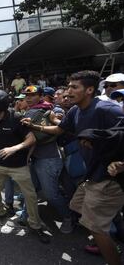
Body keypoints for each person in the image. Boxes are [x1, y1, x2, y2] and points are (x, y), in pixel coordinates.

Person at [21, 70, 124, 265]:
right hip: (92, 175)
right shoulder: (76, 111)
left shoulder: (107, 109)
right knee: (76, 205)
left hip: (108, 179)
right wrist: (37, 127)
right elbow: (60, 129)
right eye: (68, 86)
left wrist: (120, 163)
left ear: (90, 90)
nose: (68, 92)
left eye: (74, 87)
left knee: (96, 228)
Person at [0, 89, 50, 243]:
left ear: (1, 104)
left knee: (30, 196)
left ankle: (35, 225)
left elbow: (31, 139)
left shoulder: (17, 117)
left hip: (19, 167)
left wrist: (15, 148)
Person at [21, 85, 74, 234]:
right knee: (31, 190)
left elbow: (61, 128)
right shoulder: (31, 110)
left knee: (51, 195)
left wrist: (37, 125)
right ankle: (27, 214)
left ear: (41, 96)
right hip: (35, 158)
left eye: (33, 95)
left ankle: (68, 218)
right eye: (27, 95)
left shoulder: (51, 110)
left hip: (49, 159)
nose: (29, 98)